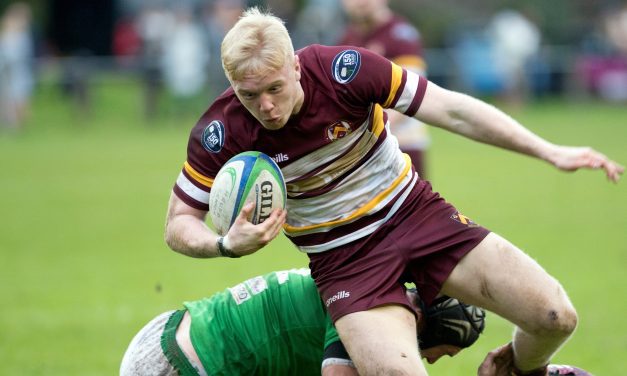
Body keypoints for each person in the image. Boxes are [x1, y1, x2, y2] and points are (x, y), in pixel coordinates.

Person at [164, 7, 623, 376]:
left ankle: (514, 371)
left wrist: (548, 151)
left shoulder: (344, 72)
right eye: (249, 95)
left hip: (417, 216)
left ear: (296, 65)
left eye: (274, 88)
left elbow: (453, 111)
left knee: (554, 316)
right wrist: (224, 245)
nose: (265, 105)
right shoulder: (222, 130)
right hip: (346, 265)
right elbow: (178, 223)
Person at [120, 268, 486, 375]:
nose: (434, 361)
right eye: (444, 351)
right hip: (179, 364)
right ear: (421, 318)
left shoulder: (373, 284)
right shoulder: (372, 316)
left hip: (172, 335)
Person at [338, 0, 430, 177]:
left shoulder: (401, 36)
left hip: (403, 144)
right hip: (362, 149)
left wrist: (371, 132)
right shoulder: (346, 38)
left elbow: (412, 95)